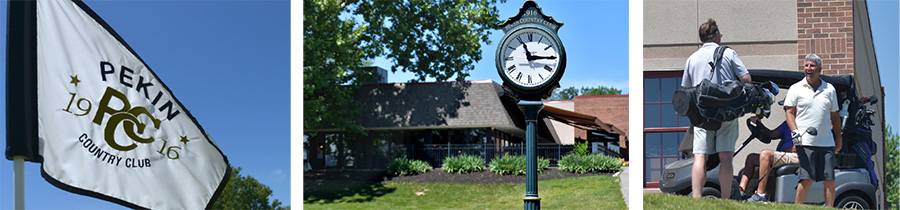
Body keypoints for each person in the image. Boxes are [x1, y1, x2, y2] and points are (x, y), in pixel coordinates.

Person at [682, 18, 752, 199]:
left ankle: (697, 198)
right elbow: (746, 79)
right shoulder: (728, 53)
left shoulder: (692, 58)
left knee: (700, 157)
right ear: (715, 34)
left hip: (702, 115)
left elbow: (687, 89)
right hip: (726, 113)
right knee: (726, 156)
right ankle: (725, 198)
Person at [784, 54, 842, 206]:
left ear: (819, 69)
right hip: (805, 142)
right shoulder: (796, 88)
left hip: (827, 142)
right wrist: (795, 131)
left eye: (812, 66)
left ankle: (829, 208)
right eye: (806, 65)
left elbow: (835, 116)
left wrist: (838, 137)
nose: (808, 68)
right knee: (807, 178)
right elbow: (789, 112)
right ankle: (798, 208)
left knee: (829, 179)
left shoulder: (829, 89)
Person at [738, 116, 798, 203]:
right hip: (783, 155)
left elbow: (798, 148)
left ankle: (761, 195)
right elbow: (772, 134)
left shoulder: (806, 123)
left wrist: (785, 151)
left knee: (766, 154)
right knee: (751, 158)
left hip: (796, 156)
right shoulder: (788, 123)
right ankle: (741, 191)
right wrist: (760, 124)